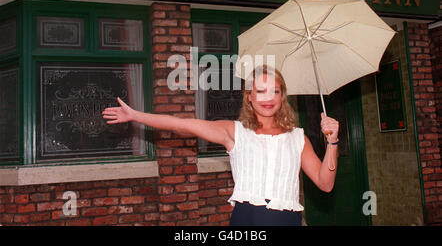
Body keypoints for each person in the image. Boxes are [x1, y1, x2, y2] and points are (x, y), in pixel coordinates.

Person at [102, 65, 339, 226]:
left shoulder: (298, 138)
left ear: (282, 96)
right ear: (249, 96)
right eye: (260, 91)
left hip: (288, 221)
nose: (268, 98)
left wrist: (332, 141)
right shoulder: (235, 132)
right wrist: (136, 115)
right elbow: (182, 124)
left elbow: (325, 183)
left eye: (274, 91)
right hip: (248, 219)